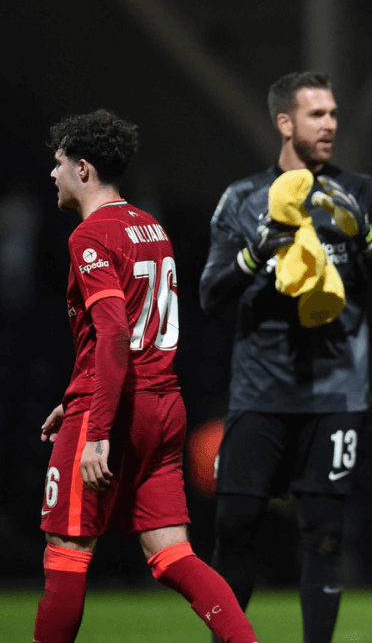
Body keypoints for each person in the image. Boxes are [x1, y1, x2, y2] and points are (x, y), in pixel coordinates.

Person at [200, 72, 372, 643]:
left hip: (335, 392)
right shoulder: (243, 199)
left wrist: (365, 235)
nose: (330, 125)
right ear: (284, 123)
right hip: (259, 390)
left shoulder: (361, 194)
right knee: (235, 523)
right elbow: (210, 295)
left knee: (323, 531)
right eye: (316, 114)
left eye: (333, 113)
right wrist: (255, 254)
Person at [35, 109, 259, 643]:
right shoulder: (150, 226)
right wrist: (76, 396)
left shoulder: (89, 237)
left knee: (66, 552)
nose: (53, 174)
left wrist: (97, 426)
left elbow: (113, 334)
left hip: (112, 411)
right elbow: (136, 330)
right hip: (163, 406)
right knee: (172, 552)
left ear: (83, 169)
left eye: (59, 163)